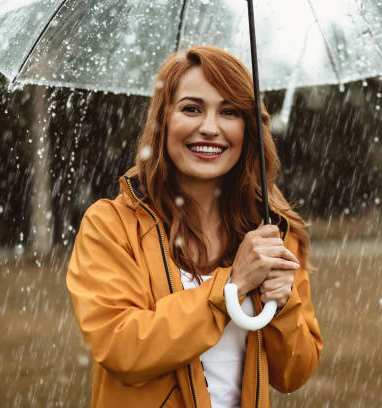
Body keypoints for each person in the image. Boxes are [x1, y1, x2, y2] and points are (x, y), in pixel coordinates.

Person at [67, 46, 322, 408]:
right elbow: (121, 348)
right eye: (191, 108)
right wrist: (231, 287)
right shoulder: (110, 225)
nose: (210, 128)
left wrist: (283, 306)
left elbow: (294, 374)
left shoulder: (272, 231)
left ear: (248, 128)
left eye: (229, 112)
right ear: (164, 120)